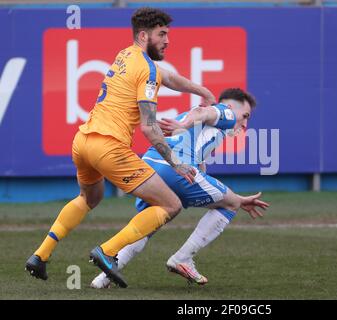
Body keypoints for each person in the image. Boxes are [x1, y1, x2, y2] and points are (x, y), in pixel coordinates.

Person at [25, 7, 216, 288]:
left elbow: (167, 77)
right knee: (171, 204)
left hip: (83, 142)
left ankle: (40, 256)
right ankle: (108, 250)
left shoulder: (126, 54)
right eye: (161, 34)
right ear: (143, 35)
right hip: (110, 149)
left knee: (89, 199)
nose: (167, 40)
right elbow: (149, 127)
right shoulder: (147, 68)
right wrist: (177, 163)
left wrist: (202, 91)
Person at [90, 88, 269, 288]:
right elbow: (202, 112)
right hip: (174, 167)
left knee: (149, 224)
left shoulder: (205, 128)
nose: (245, 124)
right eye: (244, 116)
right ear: (229, 107)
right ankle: (182, 259)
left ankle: (101, 280)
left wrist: (232, 197)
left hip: (149, 165)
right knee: (230, 206)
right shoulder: (224, 113)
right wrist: (234, 200)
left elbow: (201, 169)